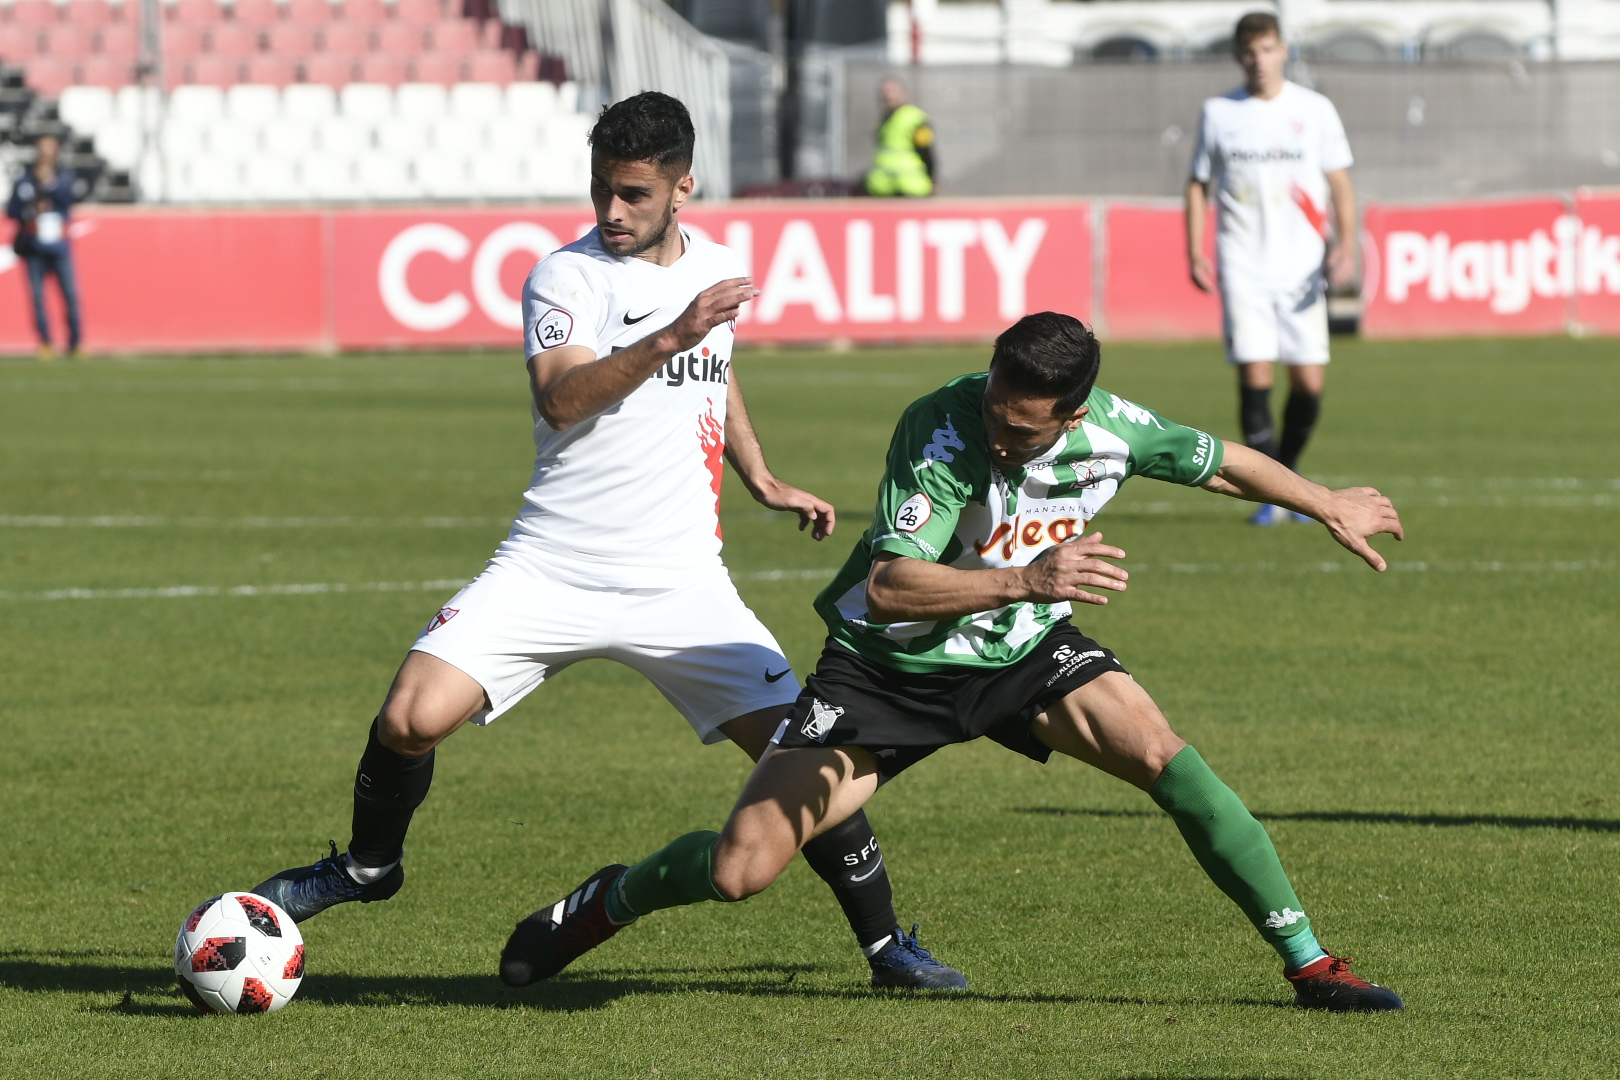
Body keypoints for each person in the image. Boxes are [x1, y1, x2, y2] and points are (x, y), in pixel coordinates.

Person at [252, 92, 966, 992]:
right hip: (550, 563)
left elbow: (718, 372)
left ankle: (885, 946)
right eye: (601, 191)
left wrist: (762, 476)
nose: (611, 212)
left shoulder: (715, 272)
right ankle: (366, 867)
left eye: (633, 194)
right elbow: (562, 398)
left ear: (683, 186)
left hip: (681, 583)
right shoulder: (565, 278)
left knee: (800, 752)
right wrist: (674, 331)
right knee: (407, 719)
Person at [501, 312, 1408, 1013]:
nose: (1000, 437)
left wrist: (1322, 502)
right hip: (886, 670)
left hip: (1021, 655)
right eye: (995, 415)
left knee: (1169, 760)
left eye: (1022, 430)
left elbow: (1222, 462)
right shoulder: (941, 429)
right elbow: (893, 588)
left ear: (1076, 413)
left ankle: (1312, 964)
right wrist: (1029, 578)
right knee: (743, 870)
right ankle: (606, 902)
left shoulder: (1116, 430)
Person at [1185, 12, 1357, 526]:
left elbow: (1340, 184)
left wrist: (1346, 244)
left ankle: (1288, 478)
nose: (1258, 60)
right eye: (1249, 51)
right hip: (1242, 264)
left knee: (1308, 383)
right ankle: (1274, 496)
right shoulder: (1219, 113)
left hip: (1302, 268)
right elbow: (1197, 184)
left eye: (1267, 49)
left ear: (1283, 50)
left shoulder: (1315, 110)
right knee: (1256, 373)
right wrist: (1194, 248)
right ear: (1238, 56)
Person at [8, 134, 83, 360]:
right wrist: (30, 210)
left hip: (59, 247)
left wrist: (48, 186)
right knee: (38, 298)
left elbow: (68, 204)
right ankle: (46, 342)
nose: (46, 152)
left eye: (51, 147)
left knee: (70, 295)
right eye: (43, 147)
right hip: (34, 247)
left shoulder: (64, 178)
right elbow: (12, 210)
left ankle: (75, 343)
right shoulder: (24, 180)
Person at [864, 77, 935, 197]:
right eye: (885, 92)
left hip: (910, 188)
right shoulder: (883, 120)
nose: (888, 96)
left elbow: (926, 151)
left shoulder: (915, 118)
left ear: (904, 93)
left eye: (893, 91)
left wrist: (932, 177)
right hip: (882, 188)